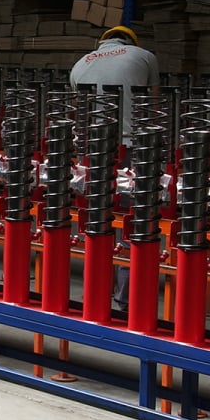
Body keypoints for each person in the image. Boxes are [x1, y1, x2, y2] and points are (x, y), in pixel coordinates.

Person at [70, 24, 160, 316]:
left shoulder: (80, 63)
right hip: (131, 147)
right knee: (132, 218)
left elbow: (80, 107)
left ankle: (95, 294)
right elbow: (153, 103)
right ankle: (125, 301)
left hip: (93, 148)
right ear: (130, 41)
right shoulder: (144, 56)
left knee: (98, 218)